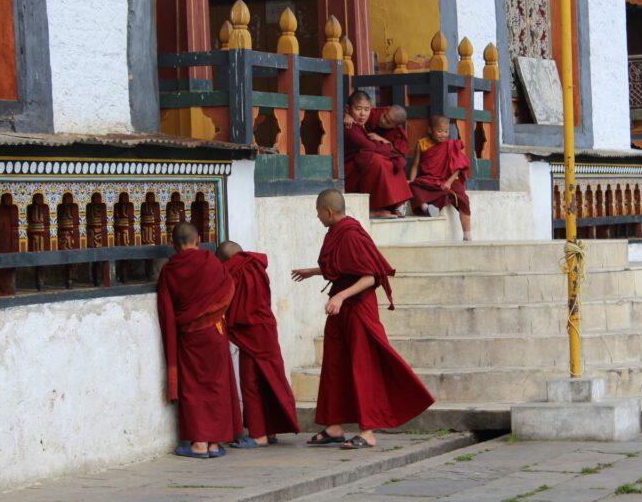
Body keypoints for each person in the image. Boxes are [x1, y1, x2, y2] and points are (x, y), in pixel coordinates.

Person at [291, 189, 434, 449]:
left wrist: (340, 297)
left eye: (318, 212)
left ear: (329, 212)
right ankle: (334, 426)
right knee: (335, 365)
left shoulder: (350, 234)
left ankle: (368, 432)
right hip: (342, 307)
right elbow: (343, 266)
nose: (318, 217)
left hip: (358, 308)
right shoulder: (337, 232)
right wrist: (313, 272)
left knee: (362, 366)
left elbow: (370, 276)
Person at [156, 222, 241, 458]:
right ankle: (214, 443)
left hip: (190, 336)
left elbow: (166, 309)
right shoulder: (211, 261)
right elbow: (228, 290)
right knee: (217, 384)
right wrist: (214, 314)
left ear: (173, 245)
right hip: (215, 332)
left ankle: (199, 444)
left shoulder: (170, 270)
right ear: (199, 239)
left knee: (194, 387)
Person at [218, 241, 300, 448]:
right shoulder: (255, 265)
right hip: (265, 325)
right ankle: (269, 429)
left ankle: (258, 435)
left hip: (250, 329)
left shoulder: (233, 270)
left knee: (251, 381)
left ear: (226, 260)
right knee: (269, 377)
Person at [343, 91, 412, 219]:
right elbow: (368, 146)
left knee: (394, 161)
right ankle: (374, 208)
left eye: (366, 109)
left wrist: (387, 145)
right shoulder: (349, 125)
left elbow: (395, 150)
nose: (363, 114)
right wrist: (386, 146)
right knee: (376, 161)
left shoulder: (396, 133)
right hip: (348, 169)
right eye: (358, 109)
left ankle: (395, 204)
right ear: (348, 108)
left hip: (361, 160)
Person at [409, 115, 473, 241]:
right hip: (430, 178)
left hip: (449, 178)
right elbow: (415, 165)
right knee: (413, 186)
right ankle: (426, 208)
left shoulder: (451, 145)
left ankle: (467, 234)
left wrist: (449, 182)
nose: (443, 135)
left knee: (463, 199)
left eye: (446, 131)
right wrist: (411, 180)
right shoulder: (422, 144)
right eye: (439, 131)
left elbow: (460, 165)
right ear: (430, 130)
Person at [346, 104, 410, 176]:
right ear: (386, 109)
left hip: (376, 151)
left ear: (395, 126)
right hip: (360, 147)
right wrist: (348, 115)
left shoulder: (398, 133)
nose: (383, 121)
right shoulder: (373, 113)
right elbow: (356, 114)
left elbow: (399, 151)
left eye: (388, 122)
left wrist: (382, 139)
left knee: (399, 162)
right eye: (384, 116)